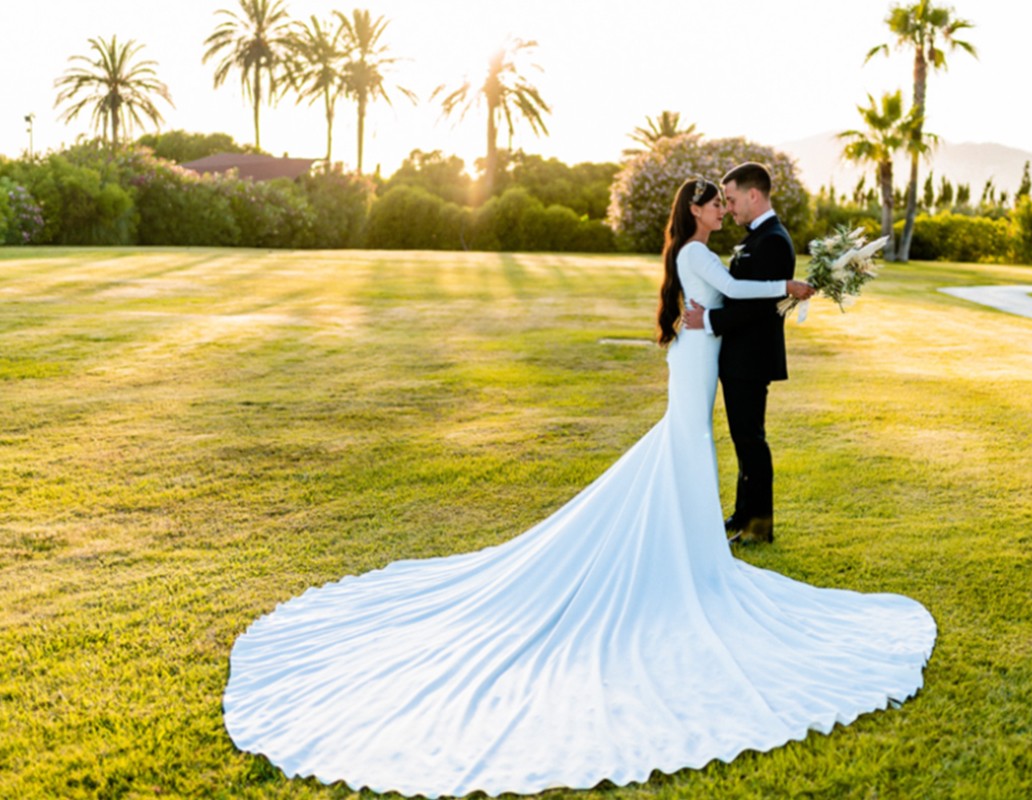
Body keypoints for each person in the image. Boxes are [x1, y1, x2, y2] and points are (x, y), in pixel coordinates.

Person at [221, 178, 936, 798]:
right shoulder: (694, 253)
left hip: (696, 351)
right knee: (684, 443)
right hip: (693, 364)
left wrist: (780, 288)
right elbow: (735, 290)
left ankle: (693, 546)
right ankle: (687, 556)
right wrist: (789, 286)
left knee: (687, 449)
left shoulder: (694, 253)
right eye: (715, 202)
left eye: (726, 200)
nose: (723, 208)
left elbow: (725, 296)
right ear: (697, 213)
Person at [682, 162, 802, 545]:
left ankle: (758, 526)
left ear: (753, 195)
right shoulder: (757, 237)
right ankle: (743, 513)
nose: (729, 208)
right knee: (743, 439)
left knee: (751, 440)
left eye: (731, 200)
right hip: (738, 357)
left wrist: (711, 321)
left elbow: (755, 305)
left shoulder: (773, 241)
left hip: (752, 357)